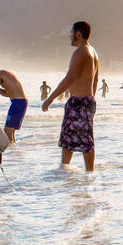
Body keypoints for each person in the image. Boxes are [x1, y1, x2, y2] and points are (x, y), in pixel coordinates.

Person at [43, 21, 100, 170]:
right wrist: (91, 98)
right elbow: (95, 79)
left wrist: (50, 99)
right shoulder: (93, 51)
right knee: (69, 138)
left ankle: (88, 173)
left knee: (85, 139)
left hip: (79, 102)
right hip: (85, 101)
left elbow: (70, 78)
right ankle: (66, 170)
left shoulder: (80, 52)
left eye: (71, 33)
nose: (70, 36)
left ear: (78, 34)